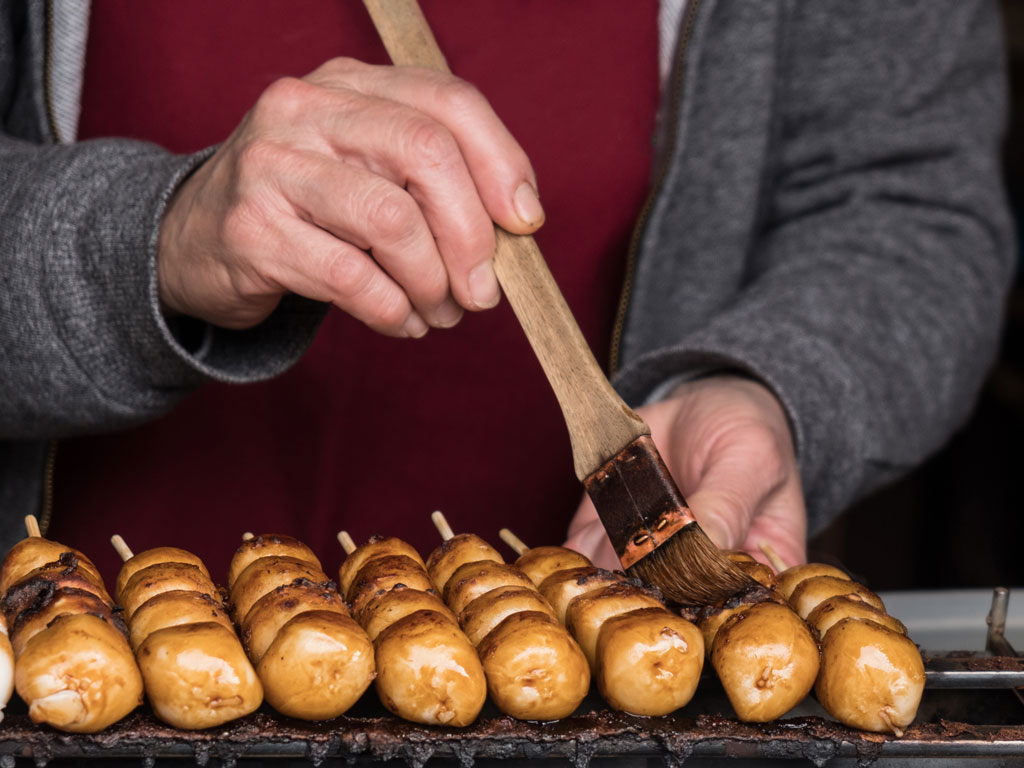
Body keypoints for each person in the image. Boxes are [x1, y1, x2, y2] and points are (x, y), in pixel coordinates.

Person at [0, 1, 1013, 582]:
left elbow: (907, 199)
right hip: (67, 682)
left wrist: (769, 387)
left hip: (621, 703)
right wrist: (147, 239)